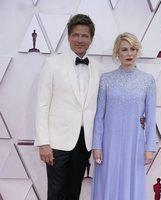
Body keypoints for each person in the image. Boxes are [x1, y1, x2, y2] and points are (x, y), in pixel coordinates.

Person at [34, 14, 105, 200]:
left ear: (91, 39)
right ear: (68, 36)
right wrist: (43, 143)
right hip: (56, 141)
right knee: (56, 193)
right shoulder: (52, 64)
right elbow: (42, 105)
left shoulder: (98, 68)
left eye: (85, 36)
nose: (80, 40)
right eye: (76, 35)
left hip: (84, 141)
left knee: (74, 192)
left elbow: (104, 105)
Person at [91, 32, 157, 200]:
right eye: (124, 49)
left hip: (134, 143)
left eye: (133, 49)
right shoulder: (106, 79)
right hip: (108, 143)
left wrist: (150, 147)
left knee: (132, 185)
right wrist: (97, 145)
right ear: (117, 53)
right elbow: (99, 115)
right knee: (107, 184)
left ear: (137, 52)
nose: (129, 54)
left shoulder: (148, 80)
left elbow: (151, 116)